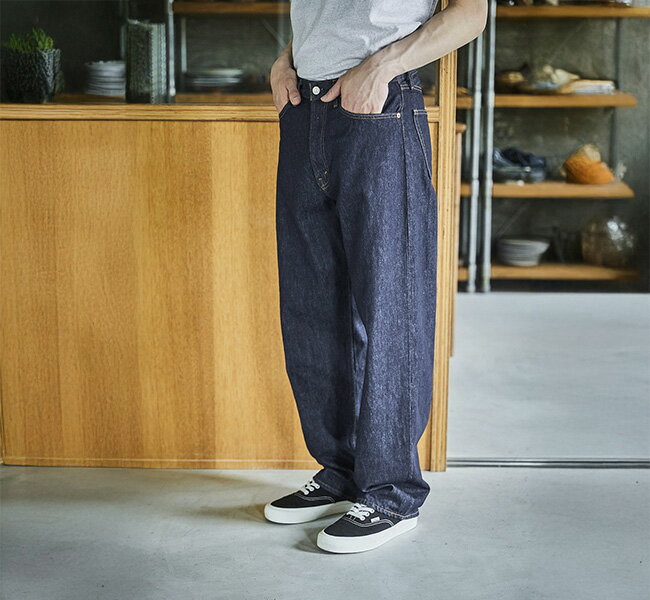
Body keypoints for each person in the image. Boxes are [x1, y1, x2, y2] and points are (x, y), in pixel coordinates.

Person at [264, 0, 487, 554]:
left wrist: (383, 66)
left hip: (380, 108)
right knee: (313, 308)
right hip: (305, 109)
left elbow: (471, 13)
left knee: (393, 306)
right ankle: (341, 470)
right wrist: (287, 58)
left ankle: (392, 494)